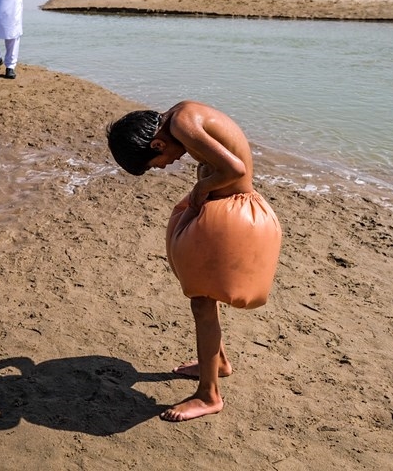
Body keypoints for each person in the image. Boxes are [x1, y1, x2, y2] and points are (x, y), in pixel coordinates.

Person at [106, 101, 282, 422]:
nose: (162, 167)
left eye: (155, 163)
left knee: (201, 302)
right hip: (223, 204)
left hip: (233, 210)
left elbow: (236, 170)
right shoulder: (176, 117)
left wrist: (202, 185)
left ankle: (209, 395)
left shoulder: (181, 125)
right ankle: (219, 364)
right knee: (200, 294)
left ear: (157, 144)